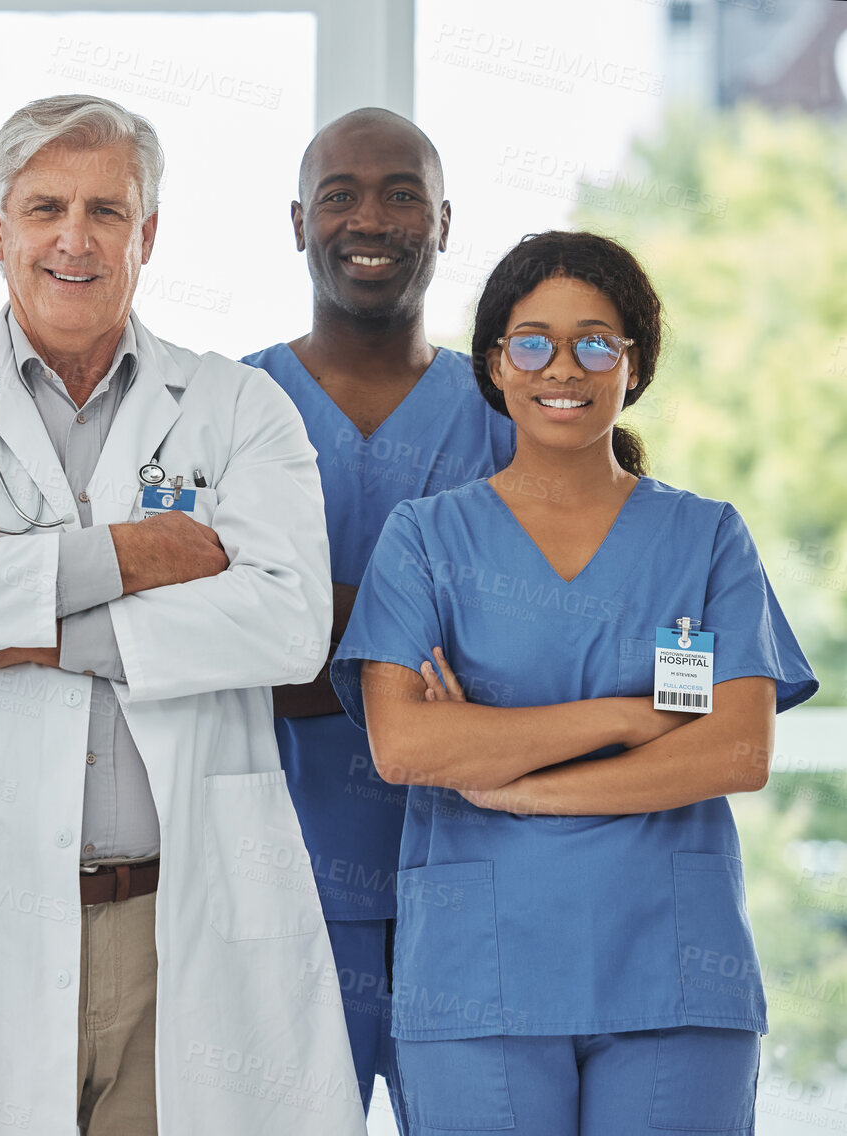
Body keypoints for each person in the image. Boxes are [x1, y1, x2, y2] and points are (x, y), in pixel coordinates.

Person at [0, 94, 366, 1135]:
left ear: (147, 234)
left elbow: (288, 622)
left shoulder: (238, 407)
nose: (76, 238)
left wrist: (32, 620)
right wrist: (134, 555)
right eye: (45, 207)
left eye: (108, 210)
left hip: (181, 918)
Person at [331, 231, 816, 1134]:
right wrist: (629, 718)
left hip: (674, 978)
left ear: (634, 367)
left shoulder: (707, 538)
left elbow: (739, 749)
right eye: (533, 342)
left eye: (598, 341)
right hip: (481, 981)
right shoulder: (425, 540)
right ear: (496, 366)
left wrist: (516, 788)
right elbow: (405, 746)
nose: (565, 366)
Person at [240, 107, 514, 1127]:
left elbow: (525, 660)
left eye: (403, 192)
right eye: (342, 193)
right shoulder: (226, 408)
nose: (372, 216)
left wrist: (301, 621)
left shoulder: (507, 412)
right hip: (275, 879)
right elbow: (199, 640)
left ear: (443, 222)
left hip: (472, 876)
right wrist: (410, 650)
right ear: (299, 219)